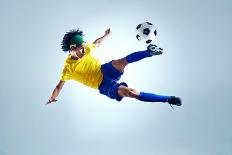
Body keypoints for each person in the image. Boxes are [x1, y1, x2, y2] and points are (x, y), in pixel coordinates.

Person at [46, 28, 181, 107]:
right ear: (72, 49)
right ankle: (168, 99)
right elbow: (59, 86)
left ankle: (150, 52)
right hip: (103, 85)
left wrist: (106, 35)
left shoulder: (86, 49)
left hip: (104, 69)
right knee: (130, 92)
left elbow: (96, 43)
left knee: (120, 62)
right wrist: (52, 98)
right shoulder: (68, 68)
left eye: (83, 47)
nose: (83, 51)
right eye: (80, 49)